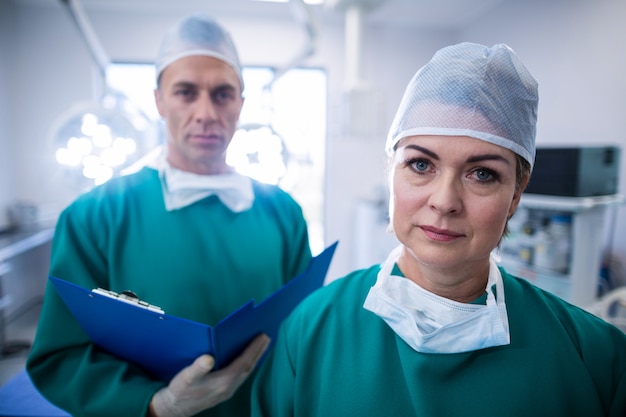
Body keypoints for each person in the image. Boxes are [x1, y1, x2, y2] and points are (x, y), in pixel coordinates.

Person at [251, 42, 626, 416]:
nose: (445, 201)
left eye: (482, 174)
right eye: (420, 165)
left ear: (515, 194)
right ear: (391, 172)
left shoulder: (597, 358)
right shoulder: (310, 331)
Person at [27, 13, 312, 417]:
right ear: (159, 100)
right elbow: (60, 357)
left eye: (222, 94)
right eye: (186, 92)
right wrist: (153, 405)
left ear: (240, 105)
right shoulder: (95, 215)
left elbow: (305, 334)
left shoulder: (282, 212)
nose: (206, 112)